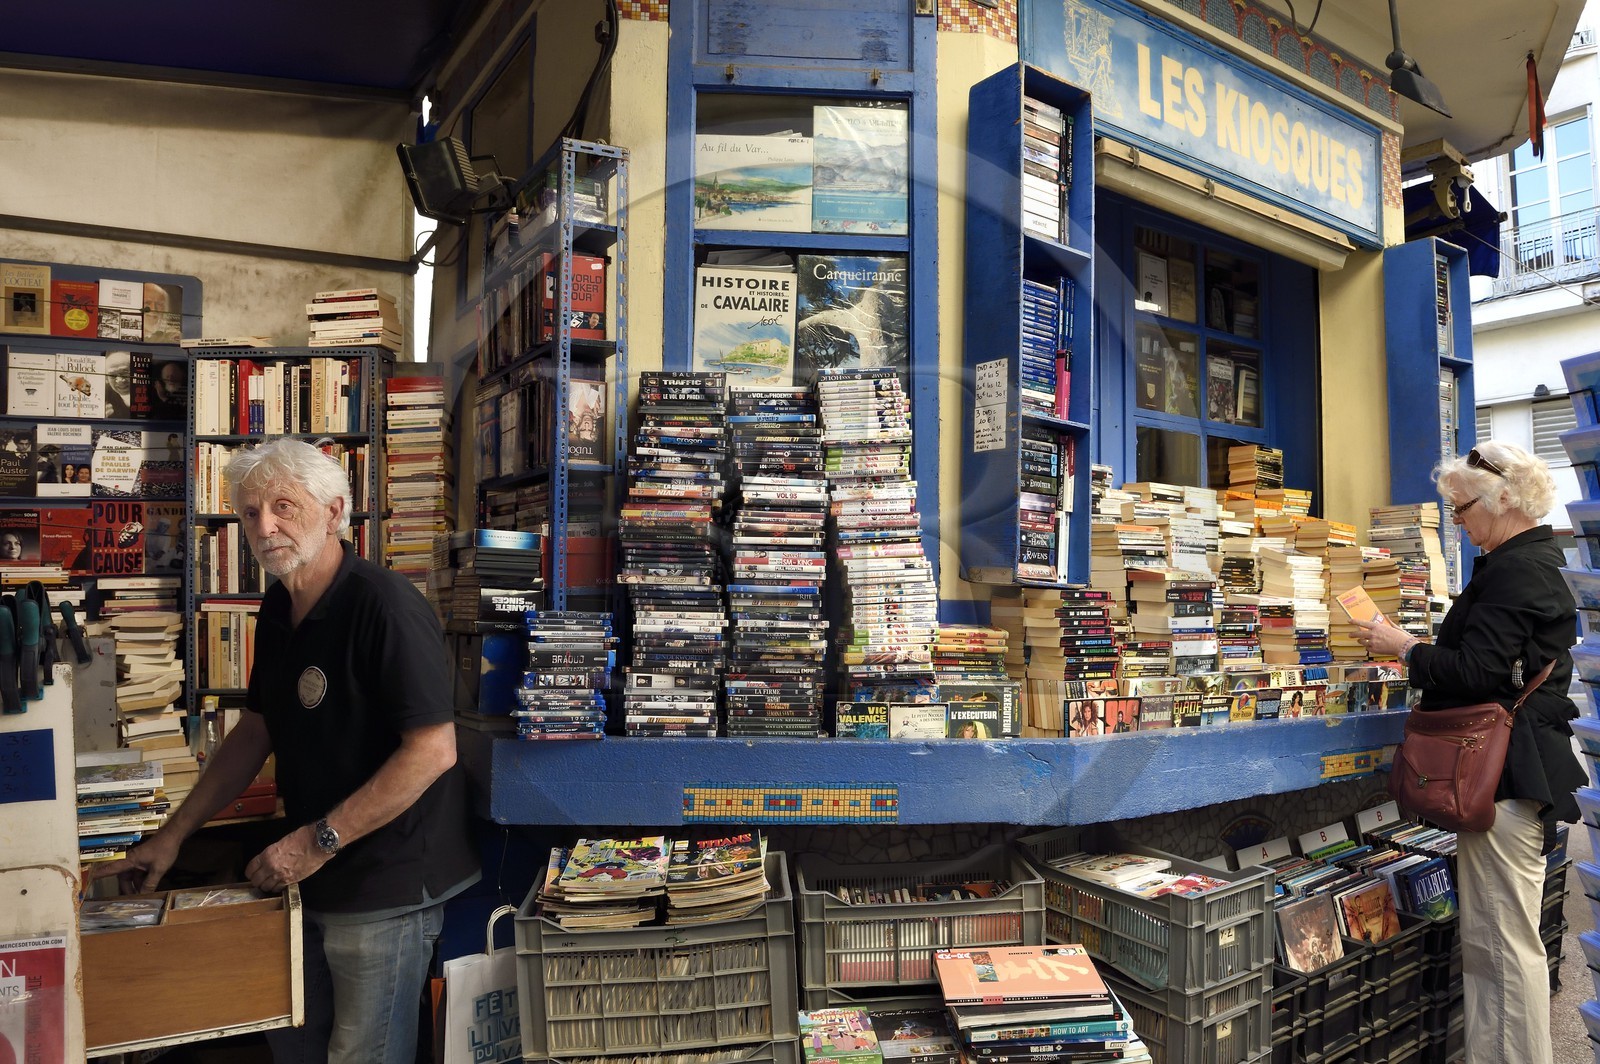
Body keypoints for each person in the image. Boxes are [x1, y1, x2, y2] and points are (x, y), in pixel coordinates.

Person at [95, 438, 479, 1063]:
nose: (264, 525)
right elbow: (256, 729)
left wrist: (312, 843)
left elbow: (434, 751)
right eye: (249, 512)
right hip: (312, 876)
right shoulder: (279, 603)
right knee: (297, 1045)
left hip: (387, 881)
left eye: (283, 506)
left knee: (364, 1055)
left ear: (333, 513)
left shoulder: (385, 606)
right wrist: (175, 834)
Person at [1354, 440, 1585, 1064]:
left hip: (1504, 779)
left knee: (1502, 948)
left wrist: (1404, 647)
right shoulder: (1527, 561)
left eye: (1461, 510)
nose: (1458, 522)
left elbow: (1478, 669)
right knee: (1500, 943)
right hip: (1516, 774)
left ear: (1501, 499)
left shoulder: (1516, 569)